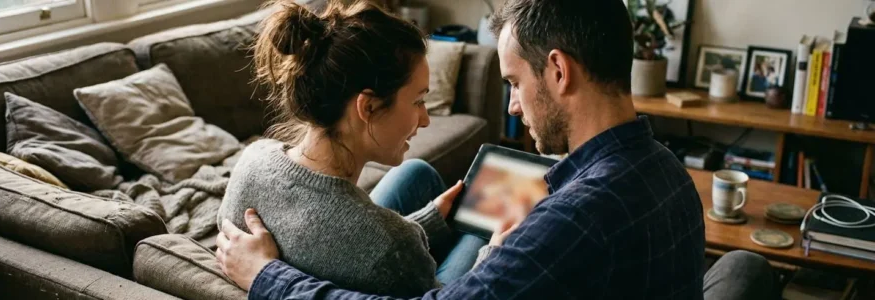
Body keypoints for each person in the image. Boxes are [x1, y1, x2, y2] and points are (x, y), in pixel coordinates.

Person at [216, 0, 774, 299]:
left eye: (512, 82)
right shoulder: (670, 172)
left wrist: (270, 278)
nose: (511, 107)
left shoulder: (571, 222)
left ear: (557, 71)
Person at [216, 0, 487, 298]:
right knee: (484, 228)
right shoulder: (393, 247)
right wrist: (495, 253)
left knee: (417, 171)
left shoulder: (253, 157)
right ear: (367, 106)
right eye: (418, 101)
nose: (425, 120)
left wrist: (427, 222)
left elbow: (333, 244)